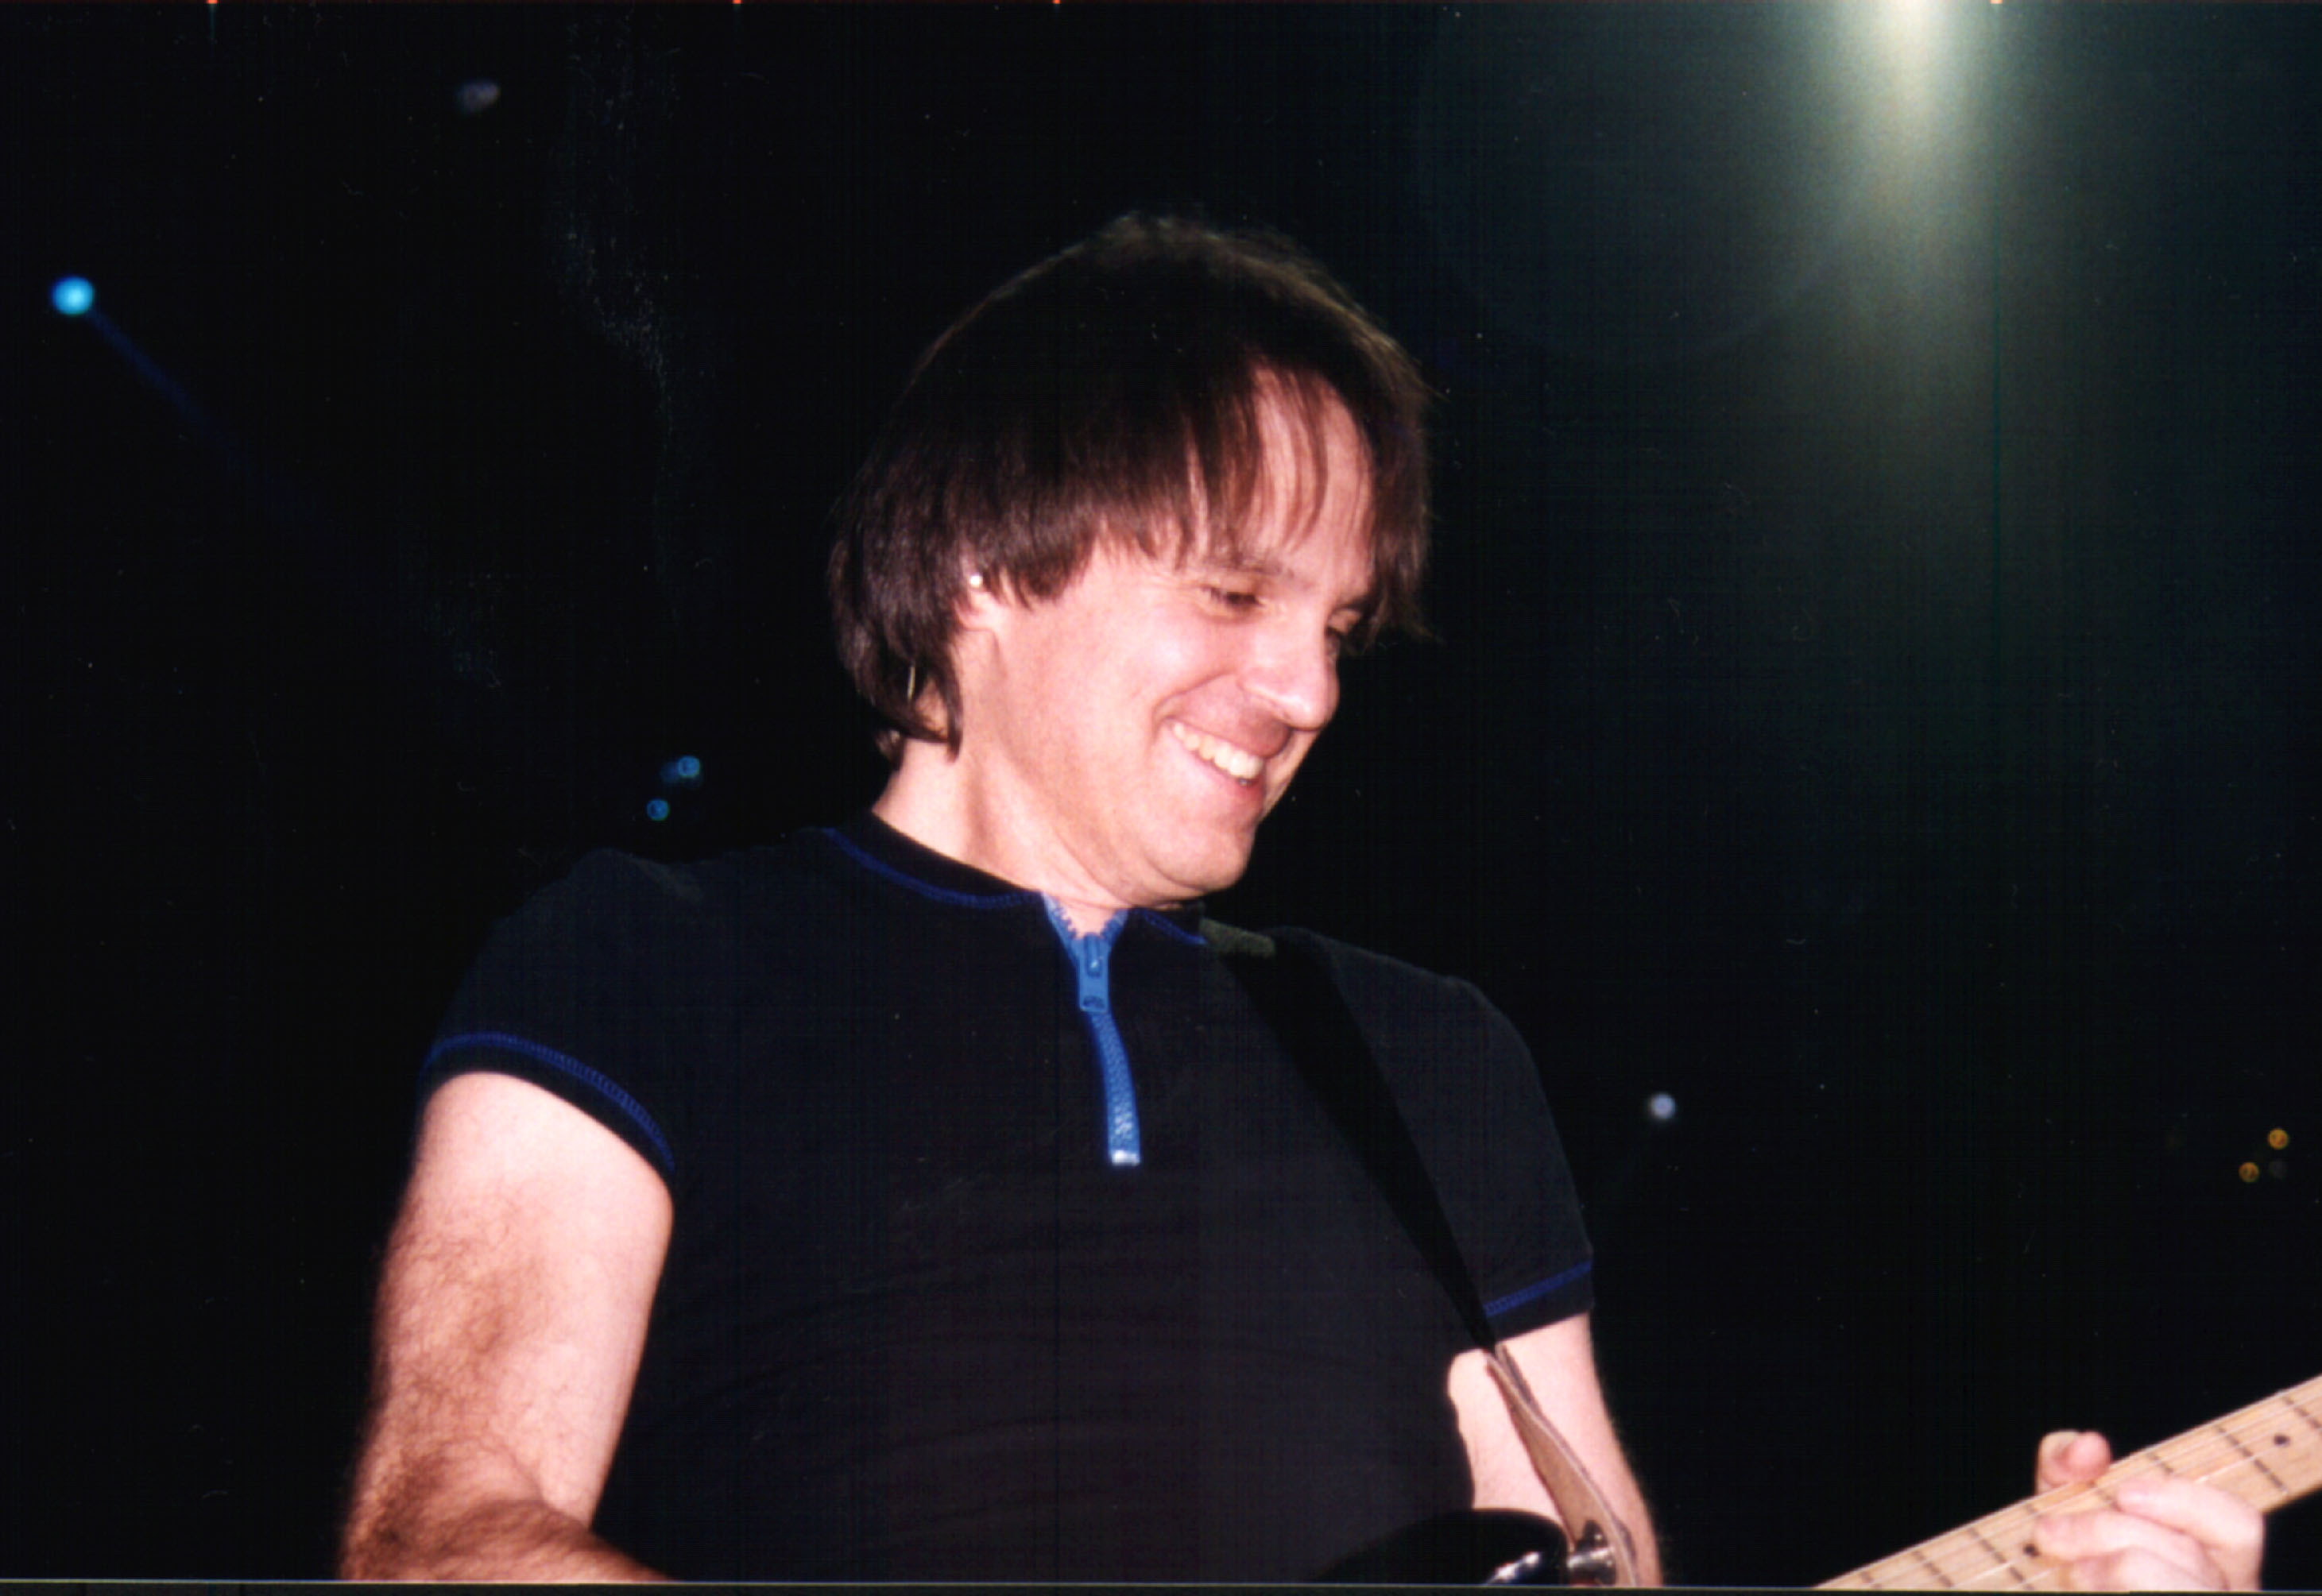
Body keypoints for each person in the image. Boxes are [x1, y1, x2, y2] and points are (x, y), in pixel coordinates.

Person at [338, 216, 2263, 1588]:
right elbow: (446, 1537)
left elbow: (1600, 1561)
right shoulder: (639, 958)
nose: (1310, 689)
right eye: (1236, 594)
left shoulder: (1425, 1049)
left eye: (1339, 625)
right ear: (987, 565)